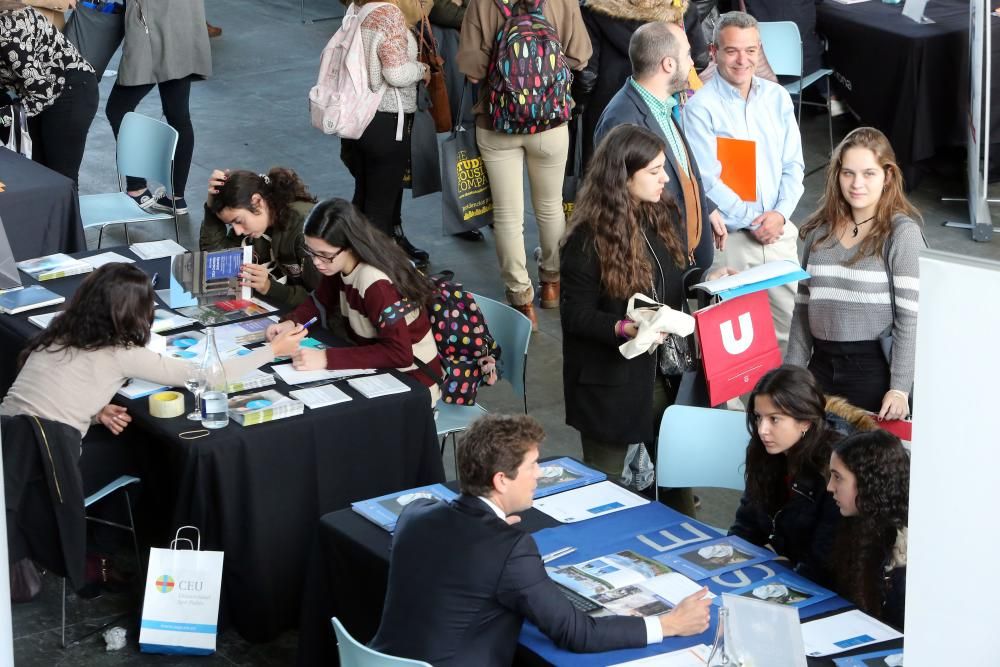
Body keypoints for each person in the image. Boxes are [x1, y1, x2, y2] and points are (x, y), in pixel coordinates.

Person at [369, 414, 712, 665]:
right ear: (502, 480)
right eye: (533, 465)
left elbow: (448, 554)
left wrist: (494, 525)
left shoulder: (415, 513)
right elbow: (579, 634)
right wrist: (669, 624)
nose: (540, 473)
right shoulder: (509, 550)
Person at [561, 124, 728, 515]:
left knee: (677, 491)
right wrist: (624, 328)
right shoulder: (586, 240)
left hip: (667, 378)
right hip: (611, 384)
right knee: (602, 496)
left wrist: (704, 280)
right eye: (653, 171)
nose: (664, 178)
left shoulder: (660, 213)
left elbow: (672, 281)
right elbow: (575, 316)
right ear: (623, 176)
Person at [457, 0, 592, 328]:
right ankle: (552, 285)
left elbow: (471, 67)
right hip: (550, 121)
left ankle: (521, 301)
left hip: (496, 121)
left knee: (507, 215)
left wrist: (503, 72)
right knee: (550, 207)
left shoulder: (481, 3)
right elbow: (580, 55)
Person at [682, 10, 804, 351]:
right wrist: (756, 222)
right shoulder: (700, 108)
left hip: (778, 238)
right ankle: (737, 410)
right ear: (714, 52)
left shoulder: (777, 98)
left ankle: (784, 407)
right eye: (732, 50)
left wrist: (778, 216)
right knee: (734, 352)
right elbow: (708, 183)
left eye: (751, 50)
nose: (742, 60)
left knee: (791, 339)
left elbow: (794, 167)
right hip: (732, 244)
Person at [787, 127, 924, 419]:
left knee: (861, 462)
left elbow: (909, 318)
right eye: (848, 173)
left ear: (887, 177)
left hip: (873, 372)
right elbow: (801, 312)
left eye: (868, 173)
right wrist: (792, 375)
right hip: (820, 366)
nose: (856, 183)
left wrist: (899, 387)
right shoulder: (819, 233)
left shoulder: (902, 234)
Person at [265, 198, 442, 404]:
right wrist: (292, 322)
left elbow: (400, 354)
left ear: (350, 246)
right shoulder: (339, 265)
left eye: (324, 255)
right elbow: (319, 301)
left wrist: (325, 358)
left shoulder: (375, 283)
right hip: (382, 376)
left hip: (412, 387)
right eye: (311, 252)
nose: (316, 262)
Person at [595, 21, 727, 257]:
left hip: (687, 259)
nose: (692, 63)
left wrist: (705, 206)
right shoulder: (622, 120)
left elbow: (677, 175)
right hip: (662, 267)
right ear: (668, 64)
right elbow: (621, 210)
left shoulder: (663, 105)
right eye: (686, 54)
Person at [339, 0, 432, 266]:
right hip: (388, 120)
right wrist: (421, 69)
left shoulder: (358, 10)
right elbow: (396, 72)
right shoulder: (388, 15)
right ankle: (376, 275)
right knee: (380, 208)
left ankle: (351, 268)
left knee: (364, 196)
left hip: (359, 119)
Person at [729, 366, 841, 584]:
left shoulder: (834, 469)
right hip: (784, 572)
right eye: (759, 417)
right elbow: (746, 526)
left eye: (774, 419)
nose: (762, 430)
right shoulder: (764, 452)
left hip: (817, 584)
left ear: (805, 421)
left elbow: (823, 562)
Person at [105, 0, 212, 214]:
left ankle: (137, 189)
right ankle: (175, 197)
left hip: (151, 24)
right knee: (178, 114)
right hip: (183, 23)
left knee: (118, 109)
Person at [576, 0, 689, 169]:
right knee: (663, 173)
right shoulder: (676, 8)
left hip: (605, 105)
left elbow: (588, 74)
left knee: (608, 174)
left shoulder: (594, 10)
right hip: (661, 102)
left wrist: (579, 105)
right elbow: (700, 57)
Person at [0, 1, 98, 186]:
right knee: (38, 176)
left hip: (69, 90)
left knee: (60, 181)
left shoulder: (8, 32)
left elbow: (42, 94)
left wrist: (4, 117)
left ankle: (68, 215)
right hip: (36, 90)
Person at [200, 167, 320, 308]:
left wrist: (270, 287)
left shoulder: (305, 231)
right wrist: (211, 207)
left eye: (238, 221)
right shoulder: (258, 223)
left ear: (257, 201)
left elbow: (324, 300)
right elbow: (216, 262)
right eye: (231, 224)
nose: (237, 231)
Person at [827, 429, 910, 630]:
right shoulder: (856, 522)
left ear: (868, 482)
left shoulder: (903, 558)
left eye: (838, 478)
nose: (830, 487)